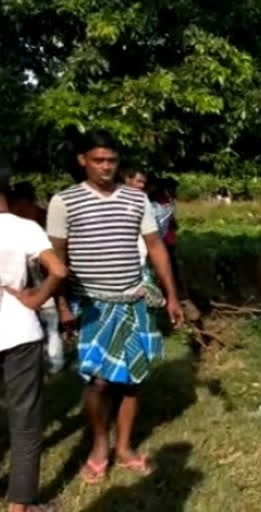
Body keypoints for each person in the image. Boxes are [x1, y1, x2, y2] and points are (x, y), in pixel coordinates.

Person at [47, 130, 184, 484]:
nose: (106, 167)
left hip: (135, 300)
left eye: (111, 161)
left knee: (133, 380)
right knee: (98, 381)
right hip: (92, 305)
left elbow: (155, 247)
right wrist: (62, 306)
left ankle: (123, 447)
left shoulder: (137, 200)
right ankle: (99, 445)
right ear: (83, 161)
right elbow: (57, 260)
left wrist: (171, 296)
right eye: (98, 160)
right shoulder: (64, 202)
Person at [0, 167, 68, 511]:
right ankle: (19, 507)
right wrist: (36, 299)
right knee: (24, 422)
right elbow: (58, 270)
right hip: (18, 332)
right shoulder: (24, 228)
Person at [8, 183, 65, 373]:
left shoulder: (34, 221)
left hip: (37, 282)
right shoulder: (30, 223)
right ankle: (54, 363)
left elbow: (56, 267)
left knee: (50, 321)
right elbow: (58, 268)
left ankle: (54, 363)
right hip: (33, 287)